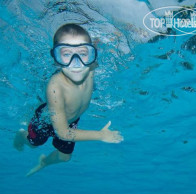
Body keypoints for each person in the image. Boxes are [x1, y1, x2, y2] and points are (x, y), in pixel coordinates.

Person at [13, 23, 123, 176]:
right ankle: (20, 136)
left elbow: (102, 45)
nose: (76, 63)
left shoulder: (91, 67)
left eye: (83, 53)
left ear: (92, 55)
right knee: (34, 144)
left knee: (65, 157)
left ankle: (44, 162)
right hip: (47, 121)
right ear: (56, 59)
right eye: (66, 54)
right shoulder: (55, 87)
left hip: (71, 120)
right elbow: (63, 133)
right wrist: (100, 135)